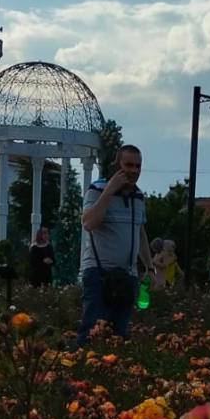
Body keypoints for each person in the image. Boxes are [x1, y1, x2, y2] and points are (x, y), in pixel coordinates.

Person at [78, 144, 155, 345]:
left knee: (118, 336)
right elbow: (89, 223)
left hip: (127, 276)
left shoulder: (138, 196)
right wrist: (109, 192)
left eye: (138, 166)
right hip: (99, 273)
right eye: (128, 165)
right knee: (93, 334)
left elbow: (140, 232)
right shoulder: (97, 190)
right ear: (117, 165)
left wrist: (149, 267)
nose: (134, 171)